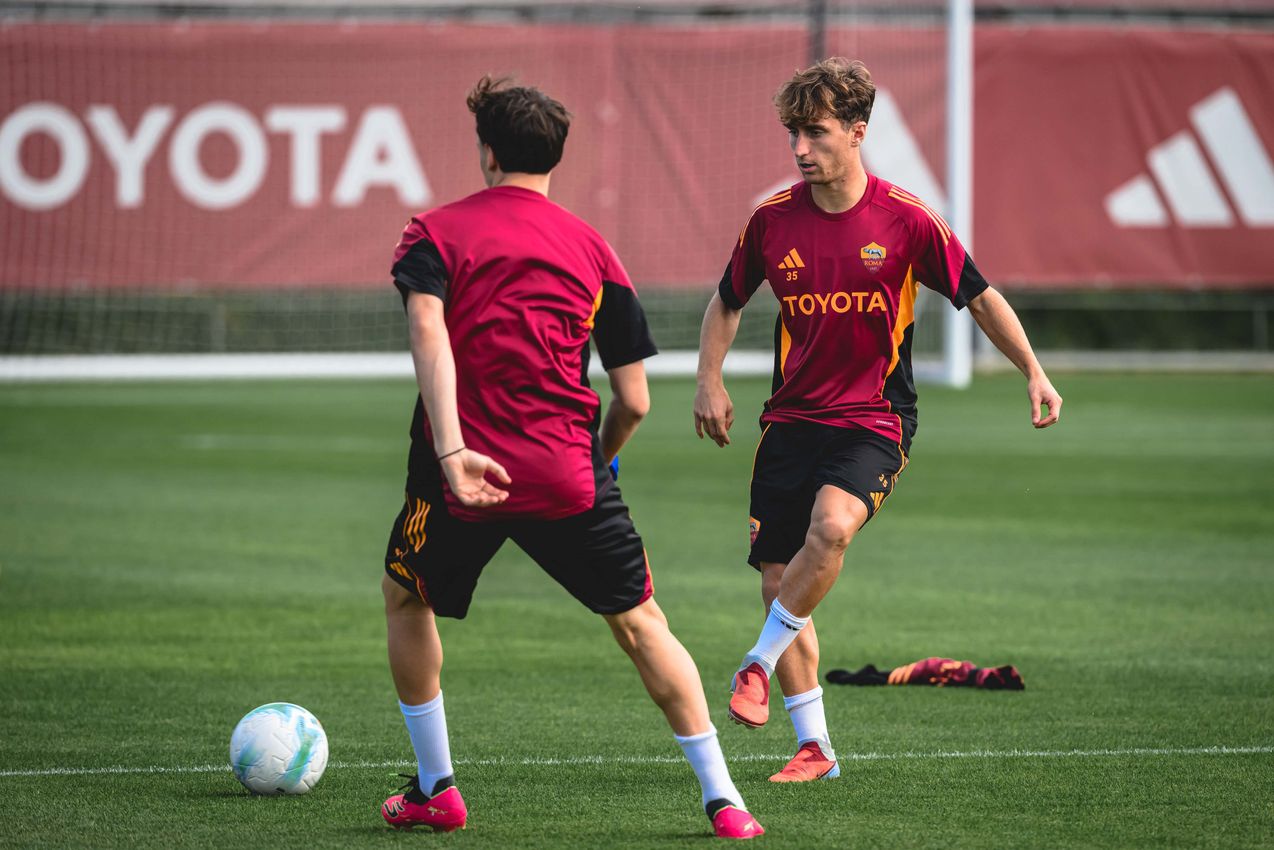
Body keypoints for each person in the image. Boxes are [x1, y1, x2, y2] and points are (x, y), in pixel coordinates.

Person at [379, 75, 763, 840]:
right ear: (555, 158)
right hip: (567, 472)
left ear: (487, 153)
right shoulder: (593, 249)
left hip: (458, 476)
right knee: (643, 624)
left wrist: (454, 451)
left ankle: (437, 789)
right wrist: (600, 464)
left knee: (406, 598)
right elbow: (635, 401)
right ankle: (725, 802)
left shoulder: (435, 233)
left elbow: (428, 333)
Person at [694, 58, 1062, 783]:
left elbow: (981, 296)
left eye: (816, 132)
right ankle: (817, 749)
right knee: (780, 581)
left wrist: (1034, 370)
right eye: (793, 132)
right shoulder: (771, 221)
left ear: (857, 133)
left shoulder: (907, 220)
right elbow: (728, 300)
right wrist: (708, 379)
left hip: (874, 417)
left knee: (829, 530)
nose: (801, 148)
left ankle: (757, 662)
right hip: (790, 422)